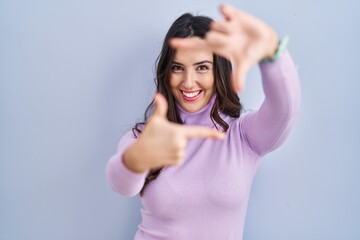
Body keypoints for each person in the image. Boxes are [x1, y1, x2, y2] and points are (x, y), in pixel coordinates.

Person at [106, 3, 301, 240]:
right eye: (178, 68)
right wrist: (136, 159)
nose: (189, 82)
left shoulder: (244, 135)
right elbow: (122, 184)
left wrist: (273, 53)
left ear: (218, 70)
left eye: (201, 68)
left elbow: (284, 111)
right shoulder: (146, 137)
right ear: (167, 73)